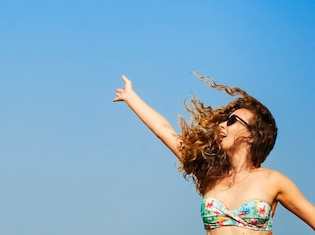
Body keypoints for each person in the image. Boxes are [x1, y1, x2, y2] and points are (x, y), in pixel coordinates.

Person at [113, 73, 315, 234]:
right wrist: (131, 97)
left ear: (252, 135)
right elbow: (164, 130)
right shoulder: (210, 175)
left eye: (232, 121)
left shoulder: (273, 181)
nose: (222, 125)